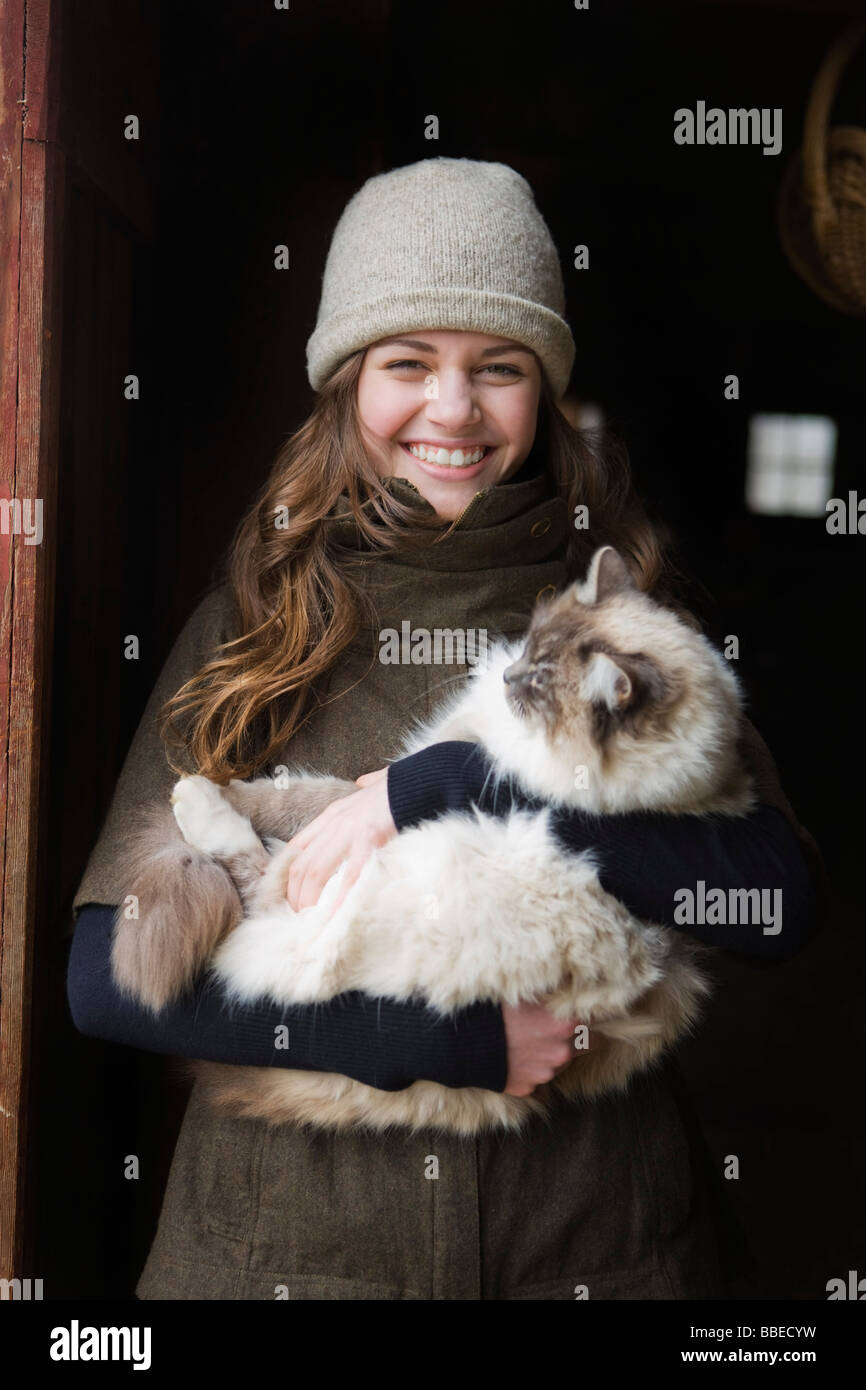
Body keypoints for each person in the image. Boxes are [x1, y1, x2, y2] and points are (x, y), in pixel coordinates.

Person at [68, 157, 822, 1300]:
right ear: (344, 385)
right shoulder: (262, 619)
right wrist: (432, 1044)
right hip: (291, 1252)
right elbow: (98, 980)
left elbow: (774, 901)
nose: (453, 409)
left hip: (588, 1242)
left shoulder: (610, 616)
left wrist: (457, 785)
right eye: (406, 363)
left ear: (546, 389)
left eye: (499, 367)